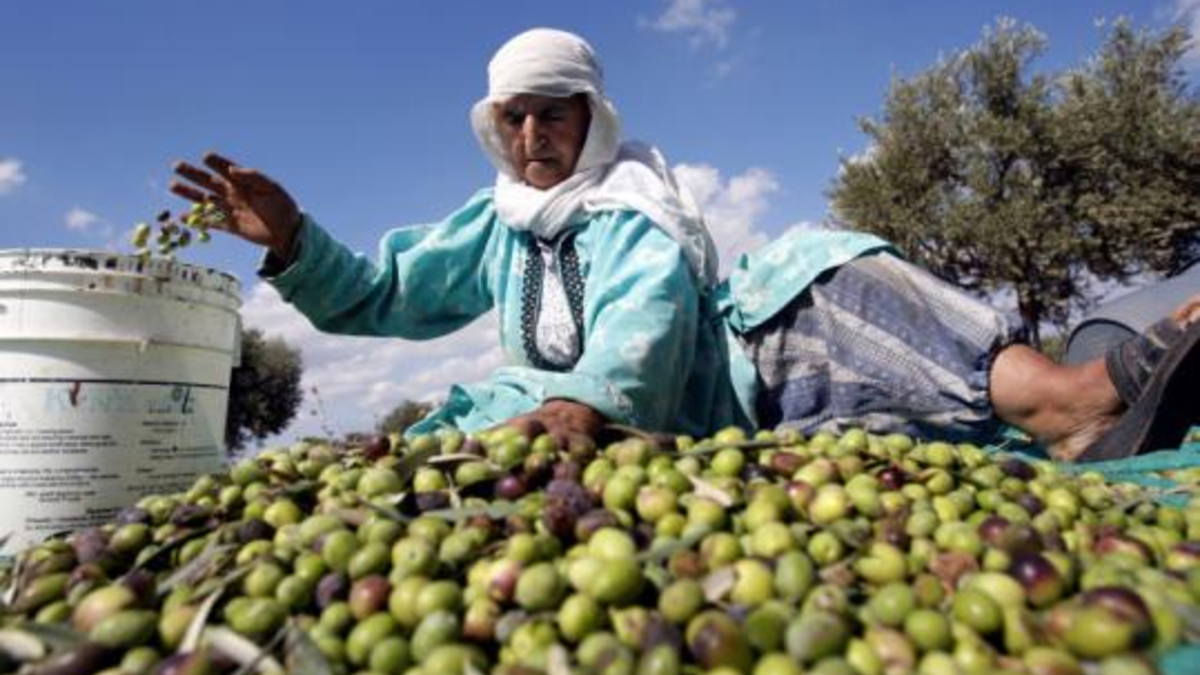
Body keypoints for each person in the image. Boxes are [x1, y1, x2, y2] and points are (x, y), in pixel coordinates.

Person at [171, 28, 1199, 463]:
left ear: (591, 118)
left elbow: (651, 314)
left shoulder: (632, 208)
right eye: (516, 118)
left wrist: (595, 401)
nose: (535, 138)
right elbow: (390, 291)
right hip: (580, 428)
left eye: (555, 115)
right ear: (496, 125)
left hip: (716, 388)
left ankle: (1073, 402)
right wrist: (297, 238)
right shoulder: (495, 221)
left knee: (835, 264)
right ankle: (1060, 408)